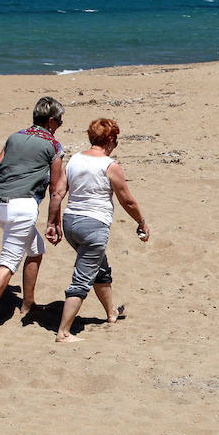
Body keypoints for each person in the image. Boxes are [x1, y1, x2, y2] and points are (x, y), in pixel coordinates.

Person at [0, 96, 65, 334]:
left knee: (36, 250)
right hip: (21, 208)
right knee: (8, 262)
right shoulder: (54, 146)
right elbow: (56, 190)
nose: (60, 125)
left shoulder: (14, 137)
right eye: (59, 121)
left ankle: (28, 304)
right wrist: (52, 223)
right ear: (50, 121)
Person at [50, 118, 149, 343]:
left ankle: (111, 312)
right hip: (93, 226)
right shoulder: (109, 165)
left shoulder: (74, 160)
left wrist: (51, 222)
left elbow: (58, 193)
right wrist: (141, 222)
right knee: (82, 279)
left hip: (70, 223)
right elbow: (128, 201)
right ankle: (63, 332)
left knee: (100, 269)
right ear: (110, 140)